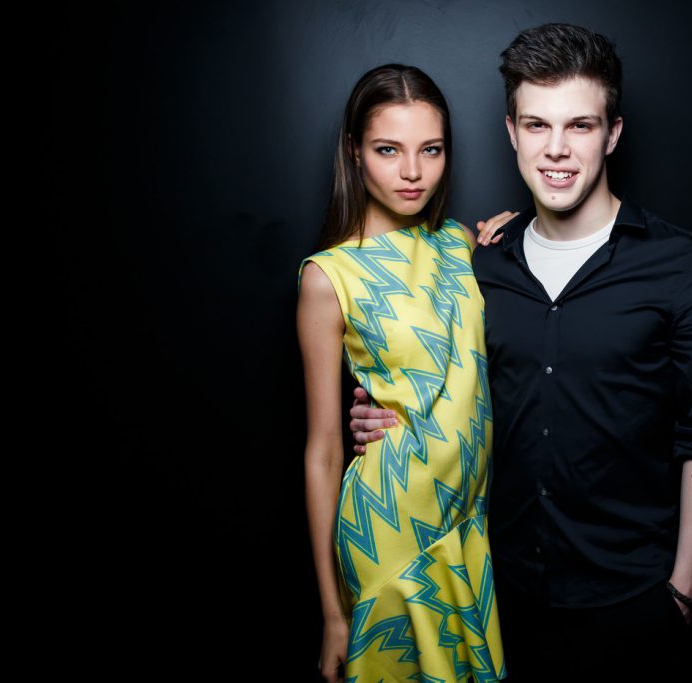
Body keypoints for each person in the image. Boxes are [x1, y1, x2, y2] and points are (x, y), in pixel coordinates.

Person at [350, 23, 692, 680]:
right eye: (537, 125)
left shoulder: (682, 264)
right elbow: (438, 386)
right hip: (498, 601)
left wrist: (684, 591)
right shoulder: (480, 264)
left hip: (634, 603)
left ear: (612, 133)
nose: (556, 149)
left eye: (579, 125)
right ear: (512, 131)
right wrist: (378, 415)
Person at [295, 64, 506, 683]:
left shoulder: (461, 244)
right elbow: (323, 450)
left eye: (430, 150)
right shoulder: (329, 275)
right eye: (388, 150)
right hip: (389, 527)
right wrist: (332, 614)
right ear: (355, 152)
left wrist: (521, 233)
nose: (412, 171)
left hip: (467, 521)